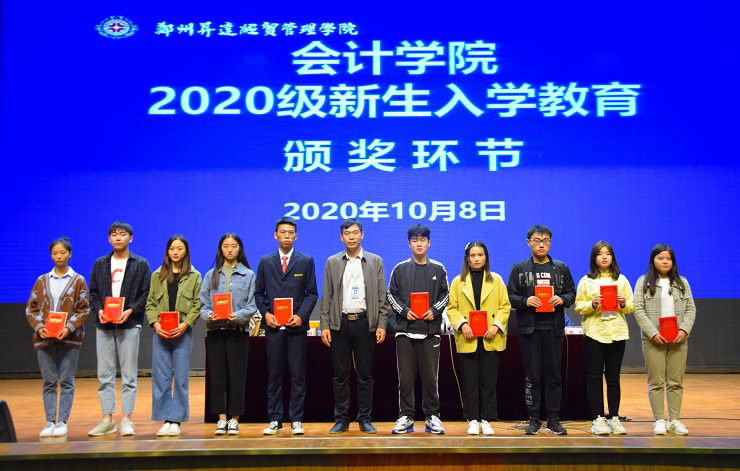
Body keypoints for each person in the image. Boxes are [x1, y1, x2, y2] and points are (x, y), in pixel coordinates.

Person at [320, 218, 390, 434]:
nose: (351, 237)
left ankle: (365, 418)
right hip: (339, 324)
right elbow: (327, 295)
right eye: (347, 233)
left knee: (365, 374)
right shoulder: (332, 261)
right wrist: (324, 325)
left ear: (362, 235)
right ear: (341, 237)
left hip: (365, 323)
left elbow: (382, 297)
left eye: (355, 232)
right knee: (340, 375)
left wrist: (382, 323)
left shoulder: (375, 261)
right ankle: (341, 419)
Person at [506, 224, 575, 435]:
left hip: (554, 329)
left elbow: (572, 294)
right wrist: (525, 301)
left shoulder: (561, 268)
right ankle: (534, 419)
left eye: (545, 241)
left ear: (550, 243)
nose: (541, 245)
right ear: (529, 243)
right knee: (532, 376)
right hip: (529, 329)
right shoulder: (519, 268)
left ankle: (553, 419)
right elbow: (510, 296)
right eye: (537, 240)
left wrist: (561, 299)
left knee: (554, 376)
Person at [255, 217, 318, 436]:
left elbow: (312, 293)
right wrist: (266, 314)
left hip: (296, 328)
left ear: (296, 236)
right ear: (275, 235)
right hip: (273, 327)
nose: (286, 236)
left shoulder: (305, 261)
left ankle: (296, 420)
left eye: (290, 233)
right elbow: (258, 293)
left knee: (297, 375)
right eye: (282, 232)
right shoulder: (265, 261)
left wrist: (301, 316)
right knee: (274, 375)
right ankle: (274, 419)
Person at [88, 222, 151, 436]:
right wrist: (99, 310)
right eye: (113, 234)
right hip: (104, 325)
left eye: (122, 234)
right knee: (104, 374)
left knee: (128, 374)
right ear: (109, 239)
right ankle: (107, 419)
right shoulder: (100, 264)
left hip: (130, 324)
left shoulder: (140, 264)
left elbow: (146, 293)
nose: (117, 237)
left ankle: (126, 419)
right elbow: (93, 293)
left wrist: (131, 310)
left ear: (130, 238)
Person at [387, 224, 449, 434]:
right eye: (415, 240)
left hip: (430, 331)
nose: (419, 244)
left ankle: (432, 416)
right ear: (409, 243)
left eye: (423, 240)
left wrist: (435, 310)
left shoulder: (438, 269)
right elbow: (391, 295)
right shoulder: (399, 269)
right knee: (405, 378)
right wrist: (404, 311)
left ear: (429, 243)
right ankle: (406, 416)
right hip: (405, 331)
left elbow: (446, 295)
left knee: (430, 378)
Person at [26, 237, 90, 438]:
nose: (59, 256)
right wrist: (39, 327)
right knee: (49, 381)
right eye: (55, 253)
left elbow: (84, 308)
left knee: (67, 381)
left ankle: (62, 421)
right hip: (44, 339)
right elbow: (31, 308)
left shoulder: (78, 280)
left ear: (70, 254)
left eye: (62, 252)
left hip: (69, 338)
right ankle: (49, 421)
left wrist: (69, 327)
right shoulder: (42, 280)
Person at [446, 241, 510, 436]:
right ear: (467, 258)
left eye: (480, 255)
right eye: (473, 255)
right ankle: (472, 419)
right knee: (470, 382)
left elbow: (505, 306)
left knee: (488, 382)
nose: (476, 259)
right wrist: (462, 324)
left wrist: (496, 326)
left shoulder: (496, 280)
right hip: (468, 338)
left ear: (486, 258)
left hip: (490, 337)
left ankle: (487, 419)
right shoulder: (458, 281)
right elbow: (452, 308)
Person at [633, 244, 696, 436]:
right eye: (660, 258)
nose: (665, 261)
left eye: (668, 258)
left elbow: (691, 309)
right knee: (656, 381)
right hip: (653, 339)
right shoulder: (643, 282)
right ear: (653, 260)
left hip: (678, 339)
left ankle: (674, 420)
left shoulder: (682, 282)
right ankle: (659, 419)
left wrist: (684, 330)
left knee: (676, 381)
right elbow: (638, 309)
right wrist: (653, 333)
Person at [574, 241, 634, 435]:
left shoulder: (621, 280)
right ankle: (598, 419)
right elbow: (578, 307)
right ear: (594, 258)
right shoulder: (586, 281)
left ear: (612, 257)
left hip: (617, 333)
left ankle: (614, 418)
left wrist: (623, 303)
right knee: (594, 377)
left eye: (608, 253)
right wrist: (592, 304)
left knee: (614, 378)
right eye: (600, 254)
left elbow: (631, 306)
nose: (604, 257)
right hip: (595, 333)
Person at [200, 233, 257, 436]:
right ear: (221, 249)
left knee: (237, 377)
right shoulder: (211, 275)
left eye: (234, 246)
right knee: (217, 377)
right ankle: (221, 418)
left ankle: (234, 419)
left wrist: (238, 316)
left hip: (238, 332)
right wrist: (209, 315)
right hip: (215, 331)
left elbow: (252, 305)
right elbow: (203, 304)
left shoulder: (248, 275)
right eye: (226, 246)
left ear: (240, 248)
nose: (230, 249)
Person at [145, 235, 201, 437]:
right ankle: (164, 419)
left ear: (186, 252)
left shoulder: (194, 275)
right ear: (167, 251)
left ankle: (176, 420)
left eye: (179, 248)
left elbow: (197, 304)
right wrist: (156, 324)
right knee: (161, 378)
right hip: (161, 334)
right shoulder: (157, 275)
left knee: (181, 379)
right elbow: (150, 303)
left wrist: (185, 324)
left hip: (182, 334)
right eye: (172, 248)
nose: (175, 252)